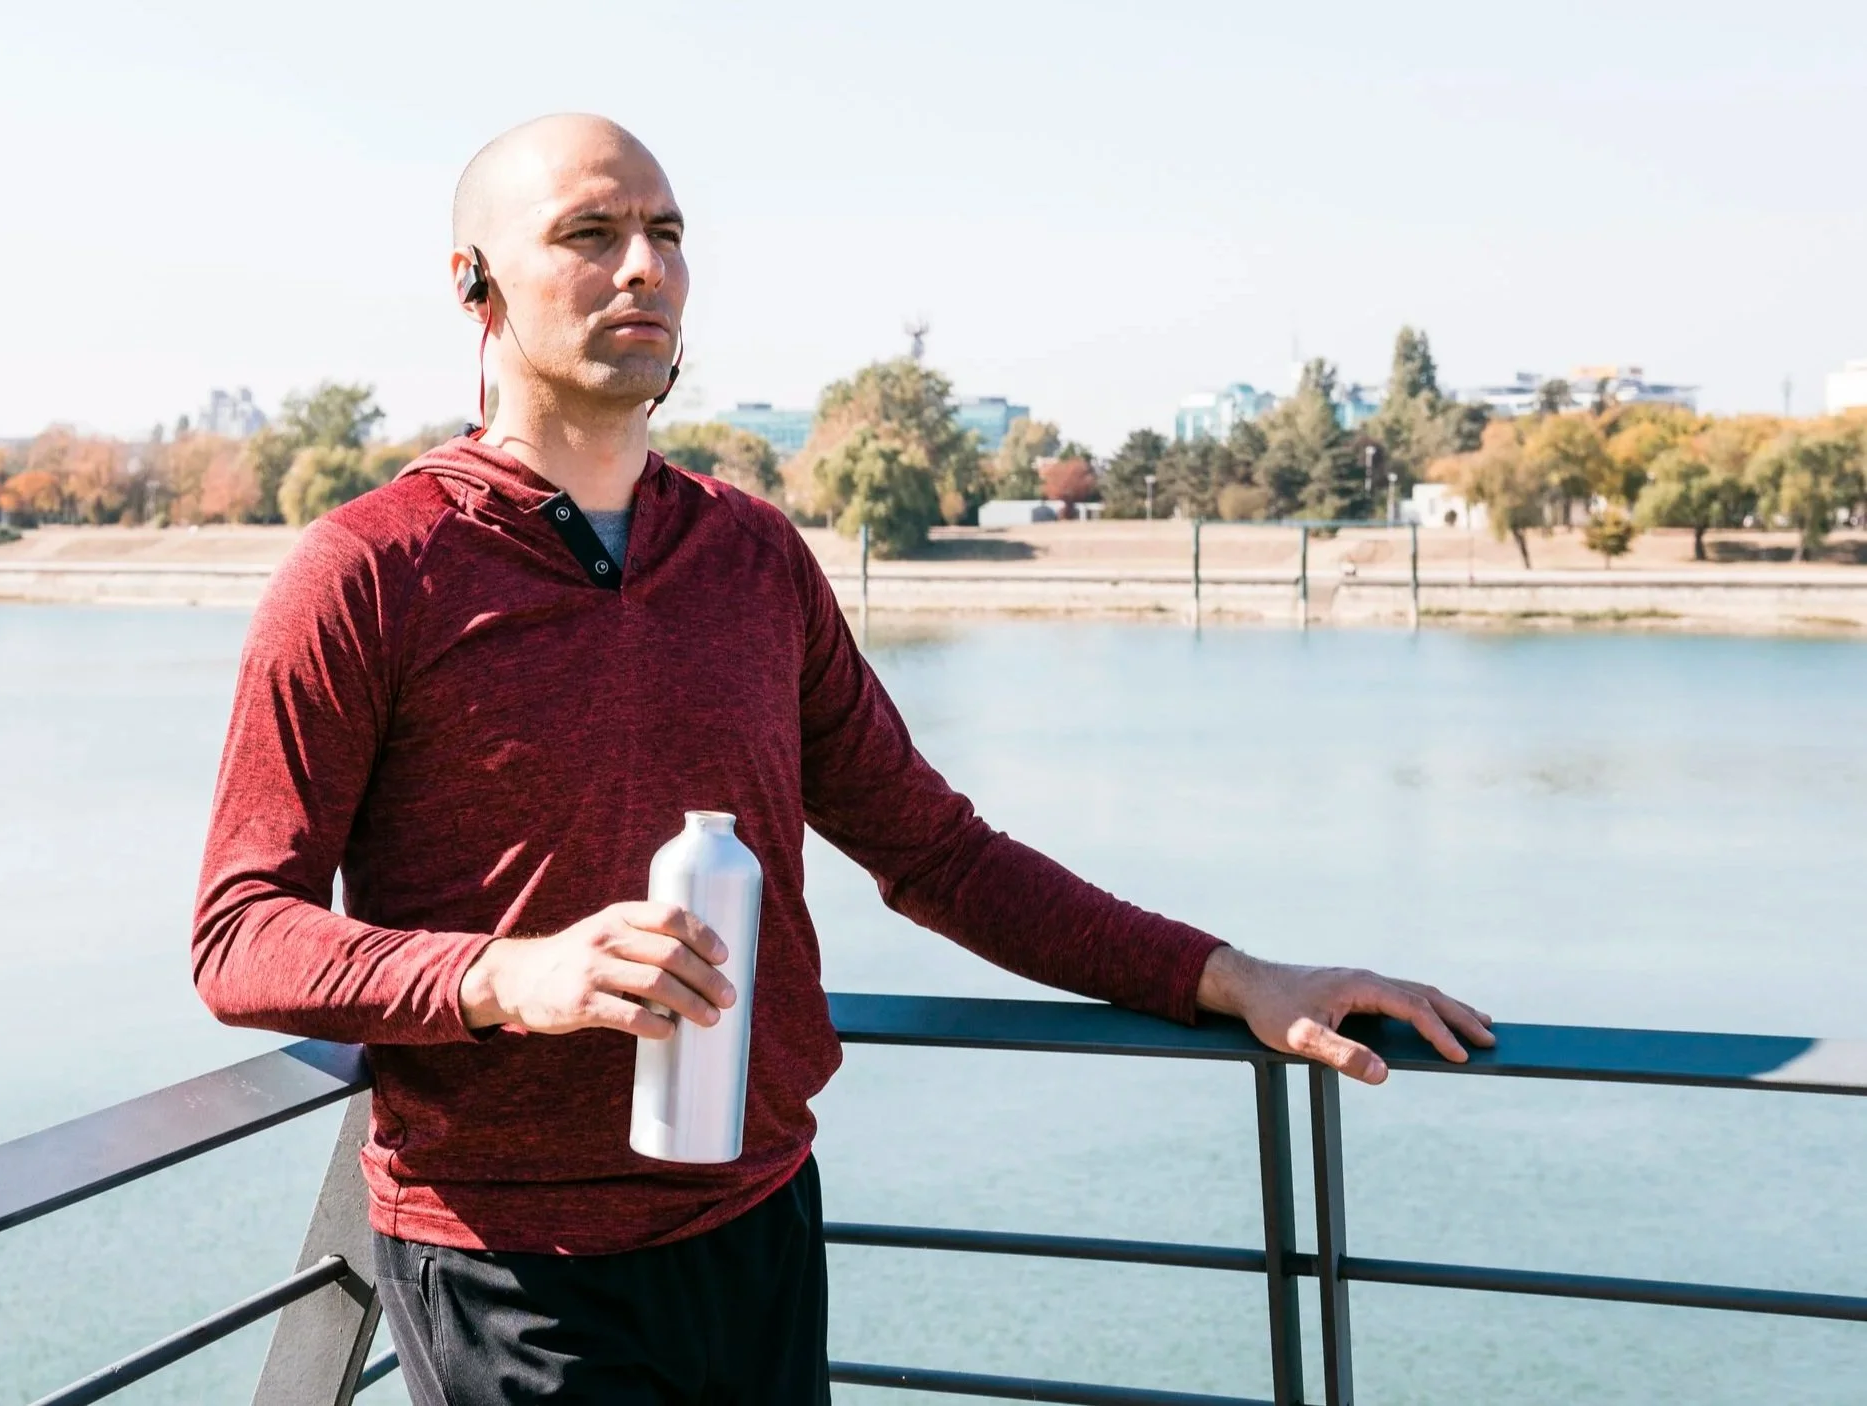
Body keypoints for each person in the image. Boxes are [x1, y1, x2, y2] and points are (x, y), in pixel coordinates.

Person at [191, 113, 1494, 1405]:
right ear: (473, 282)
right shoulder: (368, 572)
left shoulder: (752, 556)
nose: (644, 267)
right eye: (590, 234)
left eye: (665, 233)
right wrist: (507, 976)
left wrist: (1234, 976)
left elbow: (940, 854)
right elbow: (241, 933)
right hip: (513, 1268)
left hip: (760, 1219)